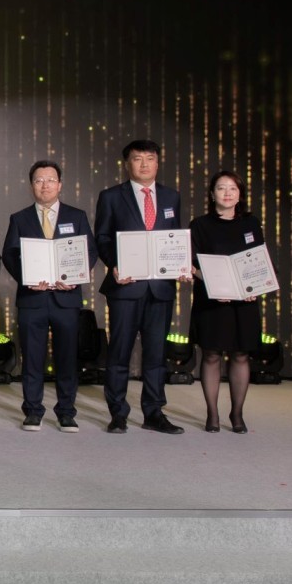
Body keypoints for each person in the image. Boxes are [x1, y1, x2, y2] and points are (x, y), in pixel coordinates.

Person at [95, 139, 189, 435]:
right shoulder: (111, 196)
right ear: (127, 164)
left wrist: (181, 264)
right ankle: (118, 413)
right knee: (119, 351)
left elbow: (175, 238)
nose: (144, 164)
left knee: (156, 354)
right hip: (126, 286)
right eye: (138, 158)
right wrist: (114, 264)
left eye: (150, 158)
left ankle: (154, 412)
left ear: (158, 163)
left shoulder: (171, 197)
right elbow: (102, 237)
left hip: (161, 288)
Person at [2, 160, 97, 432]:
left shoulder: (76, 216)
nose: (45, 185)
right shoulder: (19, 218)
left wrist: (75, 277)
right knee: (32, 357)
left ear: (60, 184)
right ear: (31, 185)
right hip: (32, 299)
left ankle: (66, 411)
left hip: (66, 298)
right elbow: (10, 254)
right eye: (39, 180)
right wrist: (28, 278)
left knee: (67, 358)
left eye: (50, 180)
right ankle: (33, 410)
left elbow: (89, 251)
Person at [189, 170, 264, 434]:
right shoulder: (199, 225)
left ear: (240, 194)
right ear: (212, 194)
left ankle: (237, 413)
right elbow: (192, 264)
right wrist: (213, 285)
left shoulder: (251, 223)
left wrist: (256, 286)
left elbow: (259, 259)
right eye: (221, 188)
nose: (227, 193)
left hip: (244, 299)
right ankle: (212, 413)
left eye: (233, 188)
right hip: (212, 299)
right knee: (211, 354)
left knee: (241, 354)